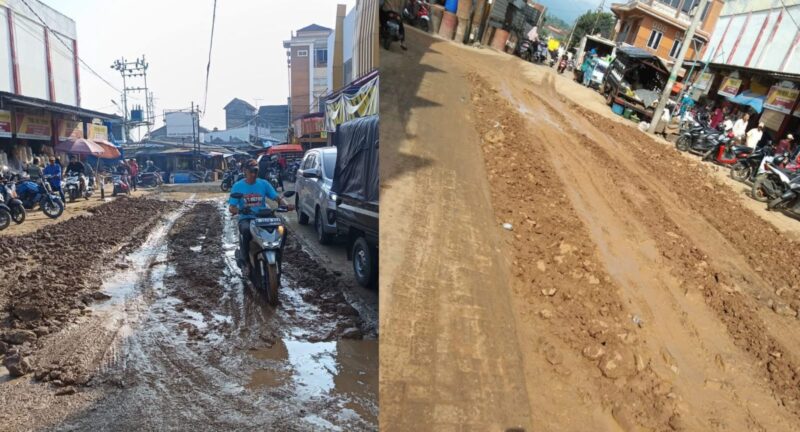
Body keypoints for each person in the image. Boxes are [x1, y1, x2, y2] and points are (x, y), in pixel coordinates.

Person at [228, 160, 294, 271]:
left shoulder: (264, 184)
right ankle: (246, 262)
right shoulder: (237, 186)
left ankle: (278, 255)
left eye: (256, 171)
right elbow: (232, 207)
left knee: (282, 230)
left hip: (263, 218)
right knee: (245, 231)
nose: (253, 174)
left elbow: (276, 197)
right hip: (247, 218)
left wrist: (285, 205)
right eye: (251, 171)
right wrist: (237, 210)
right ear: (245, 171)